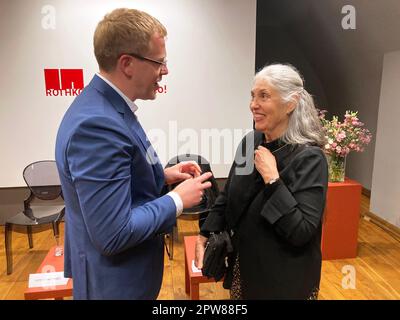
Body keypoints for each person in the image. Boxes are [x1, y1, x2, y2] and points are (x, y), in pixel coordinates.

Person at [55, 8, 212, 300]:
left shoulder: (105, 107)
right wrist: (177, 199)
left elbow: (113, 181)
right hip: (115, 286)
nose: (165, 71)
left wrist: (161, 176)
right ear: (127, 63)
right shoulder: (97, 125)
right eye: (159, 62)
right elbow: (113, 233)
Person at [195, 64, 328, 300]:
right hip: (244, 268)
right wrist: (205, 233)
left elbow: (301, 231)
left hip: (285, 280)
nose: (253, 104)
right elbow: (228, 196)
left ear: (291, 103)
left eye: (264, 96)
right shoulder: (251, 142)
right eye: (253, 95)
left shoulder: (309, 158)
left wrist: (273, 179)